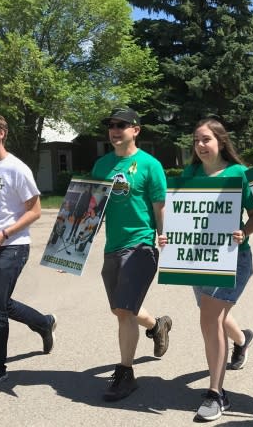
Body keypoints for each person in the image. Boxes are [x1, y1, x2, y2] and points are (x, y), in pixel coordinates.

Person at [157, 118, 253, 422]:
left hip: (233, 259)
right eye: (196, 140)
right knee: (213, 314)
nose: (200, 146)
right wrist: (167, 235)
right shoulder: (189, 175)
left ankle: (216, 394)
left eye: (206, 140)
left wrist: (245, 231)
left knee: (209, 317)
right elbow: (179, 214)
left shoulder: (239, 174)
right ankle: (242, 340)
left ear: (220, 141)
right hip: (196, 259)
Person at [0, 112, 57, 391]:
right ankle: (43, 323)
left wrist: (4, 233)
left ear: (1, 133)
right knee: (1, 304)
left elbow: (35, 211)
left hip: (12, 247)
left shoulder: (17, 169)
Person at [90, 107, 172, 402]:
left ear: (136, 130)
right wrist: (73, 249)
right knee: (121, 309)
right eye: (111, 125)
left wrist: (165, 236)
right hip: (113, 246)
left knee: (124, 311)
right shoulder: (101, 166)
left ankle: (125, 374)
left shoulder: (150, 165)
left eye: (121, 125)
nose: (114, 130)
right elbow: (92, 209)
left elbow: (159, 206)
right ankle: (156, 324)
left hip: (141, 246)